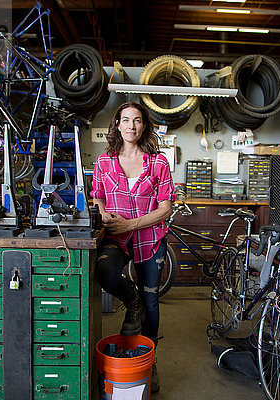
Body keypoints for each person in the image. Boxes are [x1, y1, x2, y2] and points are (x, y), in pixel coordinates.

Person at [90, 102, 175, 393]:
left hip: (151, 240)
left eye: (137, 121)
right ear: (117, 124)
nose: (131, 126)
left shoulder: (158, 162)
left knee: (152, 301)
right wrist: (103, 215)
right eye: (125, 120)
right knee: (104, 272)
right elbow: (97, 197)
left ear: (144, 126)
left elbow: (165, 208)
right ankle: (131, 300)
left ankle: (149, 363)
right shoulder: (103, 162)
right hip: (116, 238)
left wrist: (131, 224)